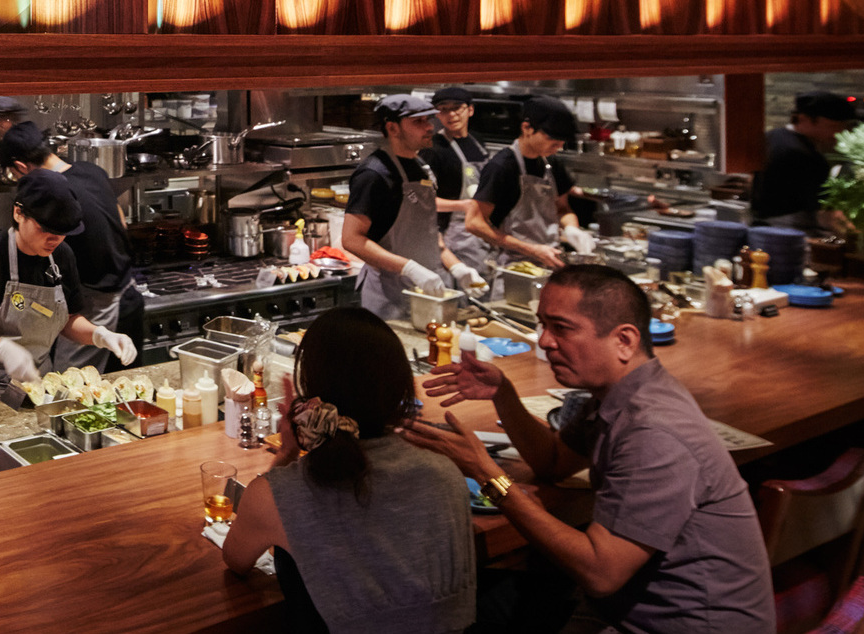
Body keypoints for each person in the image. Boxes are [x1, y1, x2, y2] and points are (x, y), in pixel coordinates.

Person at [401, 265, 775, 634]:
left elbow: (600, 573)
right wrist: (504, 395)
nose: (544, 342)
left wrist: (487, 474)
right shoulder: (618, 394)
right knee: (466, 602)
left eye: (561, 328)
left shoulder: (654, 432)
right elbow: (553, 462)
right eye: (543, 325)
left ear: (624, 341)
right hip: (632, 605)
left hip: (677, 624)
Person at [223, 306, 475, 634]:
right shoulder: (446, 475)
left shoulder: (275, 495)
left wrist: (286, 453)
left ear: (311, 396)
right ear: (402, 389)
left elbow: (236, 559)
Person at [0, 169, 137, 406]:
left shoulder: (62, 256)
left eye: (62, 232)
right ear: (18, 213)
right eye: (44, 229)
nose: (54, 240)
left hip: (36, 382)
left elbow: (67, 319)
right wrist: (2, 349)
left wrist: (100, 335)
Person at [0, 121, 139, 373]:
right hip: (130, 294)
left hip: (98, 305)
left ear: (21, 166)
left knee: (71, 386)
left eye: (14, 175)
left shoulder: (52, 191)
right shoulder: (90, 169)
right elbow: (121, 220)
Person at [345, 94, 487, 322]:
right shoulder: (374, 174)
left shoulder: (422, 167)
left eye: (428, 120)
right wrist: (409, 268)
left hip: (428, 292)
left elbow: (429, 232)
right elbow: (352, 239)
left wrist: (457, 267)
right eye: (418, 122)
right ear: (393, 128)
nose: (429, 127)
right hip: (389, 296)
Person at [466, 94, 589, 281]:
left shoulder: (552, 164)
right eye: (552, 138)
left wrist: (572, 229)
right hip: (513, 268)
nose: (559, 146)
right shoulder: (502, 166)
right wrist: (531, 250)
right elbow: (474, 223)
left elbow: (562, 208)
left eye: (562, 141)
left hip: (551, 261)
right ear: (527, 128)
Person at [749, 91, 858, 233]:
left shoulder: (772, 136)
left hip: (759, 226)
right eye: (833, 126)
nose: (838, 133)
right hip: (791, 232)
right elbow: (824, 213)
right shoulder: (804, 155)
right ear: (805, 119)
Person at [421, 87, 496, 282]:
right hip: (450, 237)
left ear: (470, 110)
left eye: (456, 108)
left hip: (480, 229)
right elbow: (423, 201)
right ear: (437, 114)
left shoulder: (477, 141)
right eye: (443, 109)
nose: (451, 114)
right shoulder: (433, 148)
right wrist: (464, 205)